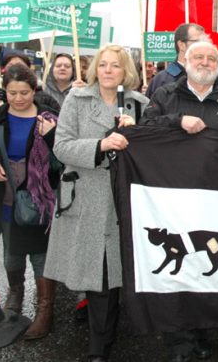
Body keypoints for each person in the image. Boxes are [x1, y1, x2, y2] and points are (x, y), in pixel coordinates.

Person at [141, 40, 218, 362]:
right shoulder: (165, 96)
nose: (204, 61)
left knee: (204, 267)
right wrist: (176, 122)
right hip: (172, 197)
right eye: (198, 56)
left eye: (211, 57)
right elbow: (144, 130)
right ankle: (179, 341)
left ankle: (201, 331)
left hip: (214, 197)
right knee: (179, 269)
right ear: (185, 61)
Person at [44, 44, 148, 362]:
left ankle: (105, 338)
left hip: (121, 201)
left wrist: (137, 137)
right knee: (97, 276)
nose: (107, 70)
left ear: (125, 70)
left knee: (114, 273)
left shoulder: (137, 103)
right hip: (86, 198)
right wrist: (100, 145)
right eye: (102, 64)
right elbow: (61, 145)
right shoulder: (77, 98)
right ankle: (98, 346)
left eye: (115, 65)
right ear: (94, 69)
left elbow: (150, 153)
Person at [0, 64, 60, 339]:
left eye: (24, 92)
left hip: (40, 197)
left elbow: (61, 158)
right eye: (13, 92)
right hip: (6, 196)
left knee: (41, 255)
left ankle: (45, 311)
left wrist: (51, 134)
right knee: (10, 250)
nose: (18, 98)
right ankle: (14, 294)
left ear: (34, 89)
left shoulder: (47, 117)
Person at [146, 23, 205, 98]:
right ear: (182, 45)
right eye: (198, 42)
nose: (204, 46)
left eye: (205, 42)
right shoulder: (162, 80)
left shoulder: (213, 75)